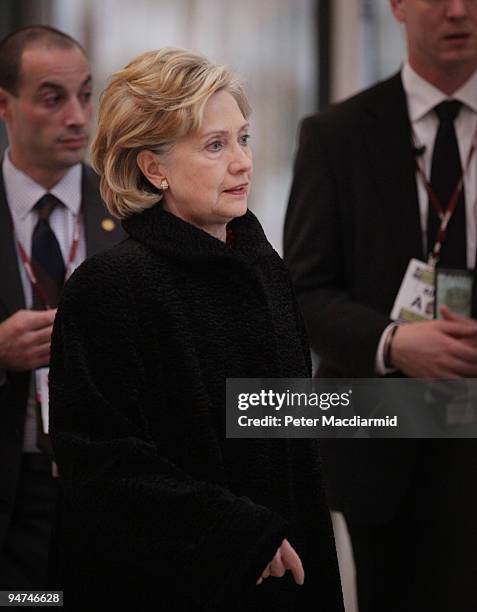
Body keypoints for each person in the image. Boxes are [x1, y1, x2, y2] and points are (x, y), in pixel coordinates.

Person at [48, 48, 344, 611]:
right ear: (153, 167)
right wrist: (236, 536)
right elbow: (100, 463)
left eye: (244, 139)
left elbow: (282, 433)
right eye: (215, 145)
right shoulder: (110, 288)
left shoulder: (266, 271)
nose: (242, 163)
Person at [284, 1, 477, 611]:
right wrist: (392, 343)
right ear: (395, 5)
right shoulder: (336, 135)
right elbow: (303, 292)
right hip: (385, 440)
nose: (457, 11)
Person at [0, 26, 124, 589]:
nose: (77, 116)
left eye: (85, 94)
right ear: (5, 105)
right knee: (30, 602)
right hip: (16, 489)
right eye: (53, 98)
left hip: (110, 485)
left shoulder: (132, 216)